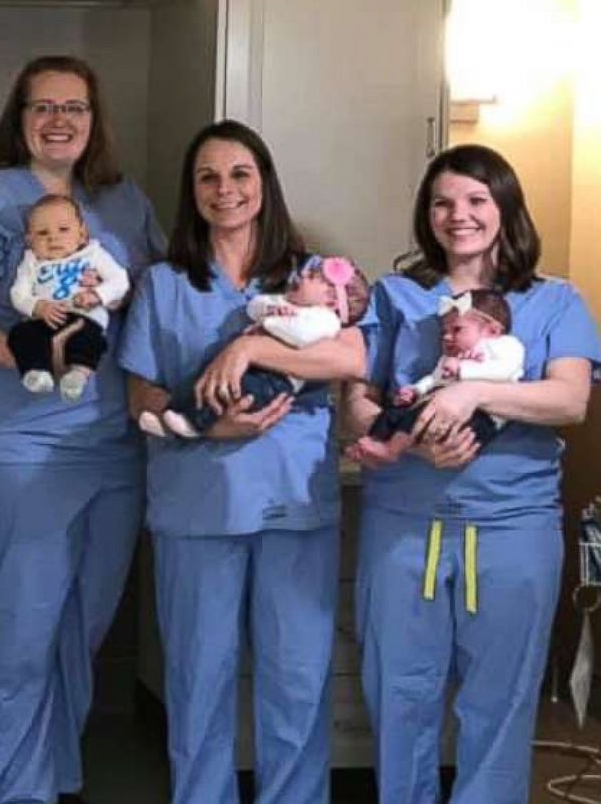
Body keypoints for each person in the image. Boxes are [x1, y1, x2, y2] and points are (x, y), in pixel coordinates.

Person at [0, 55, 165, 804]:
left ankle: (58, 771)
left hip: (111, 442)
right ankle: (17, 787)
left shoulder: (122, 201)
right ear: (19, 117)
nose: (60, 120)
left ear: (95, 120)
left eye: (76, 107)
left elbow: (157, 300)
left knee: (83, 620)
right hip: (13, 441)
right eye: (43, 107)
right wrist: (35, 351)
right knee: (21, 621)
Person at [117, 120, 365, 804]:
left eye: (240, 174)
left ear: (264, 184)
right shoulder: (164, 284)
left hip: (293, 504)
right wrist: (210, 428)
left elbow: (349, 357)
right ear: (191, 191)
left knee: (296, 682)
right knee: (198, 685)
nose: (224, 190)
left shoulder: (311, 279)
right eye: (208, 177)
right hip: (195, 507)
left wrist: (250, 350)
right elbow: (138, 393)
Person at [343, 144, 599, 804]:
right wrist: (412, 442)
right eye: (442, 202)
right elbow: (356, 403)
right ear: (426, 215)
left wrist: (472, 395)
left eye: (477, 199)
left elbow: (568, 399)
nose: (459, 215)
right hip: (404, 527)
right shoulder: (396, 297)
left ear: (505, 208)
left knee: (498, 705)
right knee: (400, 696)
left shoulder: (555, 301)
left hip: (512, 531)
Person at [143, 253, 370, 438]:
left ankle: (194, 425)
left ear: (330, 301)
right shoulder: (289, 304)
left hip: (273, 379)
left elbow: (309, 340)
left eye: (314, 277)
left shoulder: (324, 320)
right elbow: (256, 306)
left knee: (235, 392)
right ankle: (173, 413)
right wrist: (271, 309)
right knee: (205, 379)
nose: (303, 274)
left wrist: (252, 345)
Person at [353, 287, 523, 463]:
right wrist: (415, 390)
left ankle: (391, 450)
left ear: (493, 331)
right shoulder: (449, 358)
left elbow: (505, 371)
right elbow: (433, 379)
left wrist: (462, 370)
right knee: (395, 412)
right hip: (437, 404)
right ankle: (372, 441)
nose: (447, 337)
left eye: (457, 330)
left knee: (418, 416)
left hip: (482, 415)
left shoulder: (505, 346)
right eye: (444, 332)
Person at [4, 192, 131, 402]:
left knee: (91, 341)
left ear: (82, 234)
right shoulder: (32, 262)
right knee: (20, 334)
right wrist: (37, 306)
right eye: (42, 233)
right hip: (45, 318)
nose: (53, 238)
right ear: (30, 240)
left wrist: (97, 295)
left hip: (85, 317)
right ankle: (37, 372)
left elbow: (120, 280)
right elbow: (18, 293)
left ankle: (78, 375)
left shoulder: (93, 254)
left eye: (63, 230)